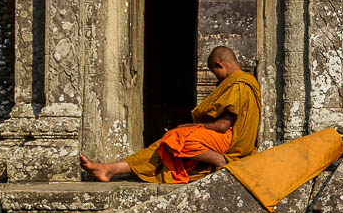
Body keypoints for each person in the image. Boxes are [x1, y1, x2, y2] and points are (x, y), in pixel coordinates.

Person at [79, 46, 261, 183]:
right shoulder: (243, 82)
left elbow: (223, 125)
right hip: (222, 137)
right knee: (168, 142)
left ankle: (220, 161)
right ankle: (111, 169)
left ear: (219, 64)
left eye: (215, 73)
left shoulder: (239, 84)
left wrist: (188, 127)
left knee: (179, 138)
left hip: (231, 142)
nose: (216, 78)